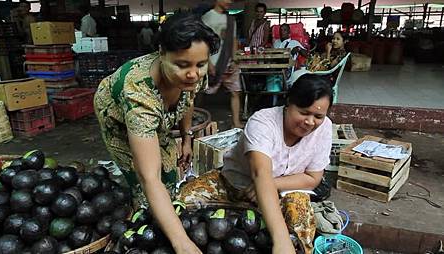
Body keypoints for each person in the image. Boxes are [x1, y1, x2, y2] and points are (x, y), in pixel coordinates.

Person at [94, 13, 220, 254]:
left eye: (200, 65)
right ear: (161, 53)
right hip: (117, 117)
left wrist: (186, 138)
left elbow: (188, 97)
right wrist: (182, 244)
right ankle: (146, 226)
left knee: (170, 167)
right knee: (143, 183)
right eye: (182, 65)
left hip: (157, 114)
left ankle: (168, 215)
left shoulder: (193, 74)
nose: (192, 74)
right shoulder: (138, 93)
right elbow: (149, 176)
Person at [179, 74, 333, 254]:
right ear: (289, 102)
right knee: (181, 203)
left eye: (318, 116)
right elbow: (261, 174)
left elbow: (313, 178)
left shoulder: (324, 128)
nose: (310, 122)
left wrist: (273, 185)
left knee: (301, 214)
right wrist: (281, 238)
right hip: (233, 184)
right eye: (304, 112)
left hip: (281, 193)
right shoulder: (263, 122)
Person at [202, 0, 244, 128]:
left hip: (229, 63)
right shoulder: (207, 17)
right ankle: (198, 122)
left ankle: (235, 123)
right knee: (200, 93)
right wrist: (208, 63)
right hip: (213, 62)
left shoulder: (231, 20)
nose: (229, 1)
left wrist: (235, 59)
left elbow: (234, 40)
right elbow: (202, 42)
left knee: (235, 92)